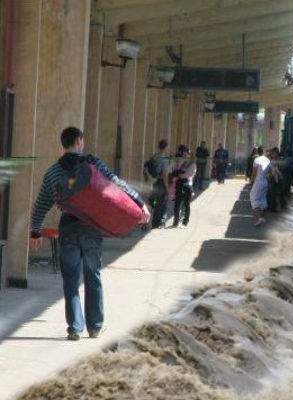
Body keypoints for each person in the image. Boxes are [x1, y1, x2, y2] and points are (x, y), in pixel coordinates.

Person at [30, 127, 150, 341]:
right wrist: (139, 204)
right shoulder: (93, 164)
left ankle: (75, 327)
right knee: (92, 275)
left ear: (63, 144)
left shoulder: (52, 172)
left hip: (68, 226)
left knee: (70, 279)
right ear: (79, 141)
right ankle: (94, 326)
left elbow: (42, 204)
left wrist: (36, 231)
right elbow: (117, 184)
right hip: (91, 227)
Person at [170, 145, 196, 228]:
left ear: (189, 154)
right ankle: (175, 222)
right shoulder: (182, 163)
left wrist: (178, 175)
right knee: (177, 204)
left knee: (186, 205)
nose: (184, 155)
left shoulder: (192, 164)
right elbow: (176, 172)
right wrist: (177, 174)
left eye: (186, 153)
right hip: (179, 186)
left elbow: (186, 175)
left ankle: (185, 222)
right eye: (183, 153)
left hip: (187, 186)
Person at [150, 139, 170, 229]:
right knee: (162, 204)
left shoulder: (154, 156)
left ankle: (154, 222)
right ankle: (158, 223)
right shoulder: (164, 159)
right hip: (161, 182)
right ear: (165, 147)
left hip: (154, 182)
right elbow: (165, 174)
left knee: (155, 202)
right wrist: (167, 187)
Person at [249, 146, 270, 226]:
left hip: (258, 182)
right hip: (265, 182)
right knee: (263, 199)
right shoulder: (267, 160)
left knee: (254, 199)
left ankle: (257, 219)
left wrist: (251, 181)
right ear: (264, 152)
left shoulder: (257, 160)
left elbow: (254, 173)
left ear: (258, 152)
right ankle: (262, 217)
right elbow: (270, 171)